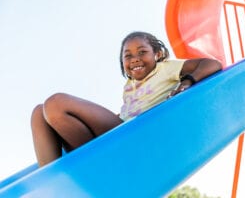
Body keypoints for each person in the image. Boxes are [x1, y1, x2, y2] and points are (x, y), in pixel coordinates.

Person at [31, 31, 222, 167]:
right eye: (128, 55)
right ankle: (52, 179)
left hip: (136, 138)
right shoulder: (129, 85)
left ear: (157, 54)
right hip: (119, 134)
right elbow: (130, 111)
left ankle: (86, 162)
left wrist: (186, 83)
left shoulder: (165, 68)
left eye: (142, 52)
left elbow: (212, 64)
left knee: (55, 104)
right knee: (39, 113)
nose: (135, 59)